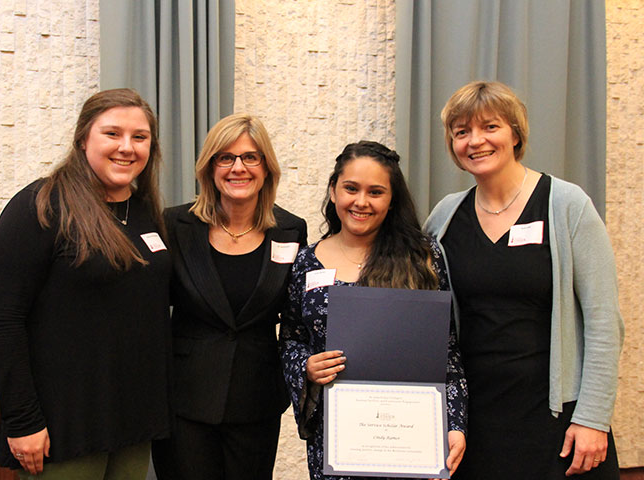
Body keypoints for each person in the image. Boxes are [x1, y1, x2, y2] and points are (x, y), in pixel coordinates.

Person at [424, 80, 624, 479]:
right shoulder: (444, 217)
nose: (475, 141)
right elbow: (424, 316)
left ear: (515, 133)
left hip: (555, 418)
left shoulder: (567, 205)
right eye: (461, 132)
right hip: (474, 421)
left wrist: (593, 418)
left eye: (490, 127)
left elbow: (605, 323)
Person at [0, 88, 172, 479]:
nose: (127, 147)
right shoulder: (41, 205)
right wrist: (22, 421)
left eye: (140, 137)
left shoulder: (144, 211)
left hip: (132, 423)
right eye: (112, 133)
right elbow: (3, 321)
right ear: (84, 137)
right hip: (61, 428)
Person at [280, 140, 468, 480]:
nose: (361, 202)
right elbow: (291, 339)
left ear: (392, 199)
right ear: (334, 190)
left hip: (412, 438)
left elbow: (447, 352)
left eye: (376, 192)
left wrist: (454, 425)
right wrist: (306, 367)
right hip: (336, 438)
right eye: (351, 188)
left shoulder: (423, 258)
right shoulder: (306, 262)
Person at [151, 113, 307, 480]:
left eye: (250, 157)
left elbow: (297, 314)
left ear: (266, 167)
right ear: (210, 168)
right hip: (184, 401)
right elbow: (150, 306)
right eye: (226, 157)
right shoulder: (175, 225)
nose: (239, 167)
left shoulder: (290, 229)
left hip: (257, 401)